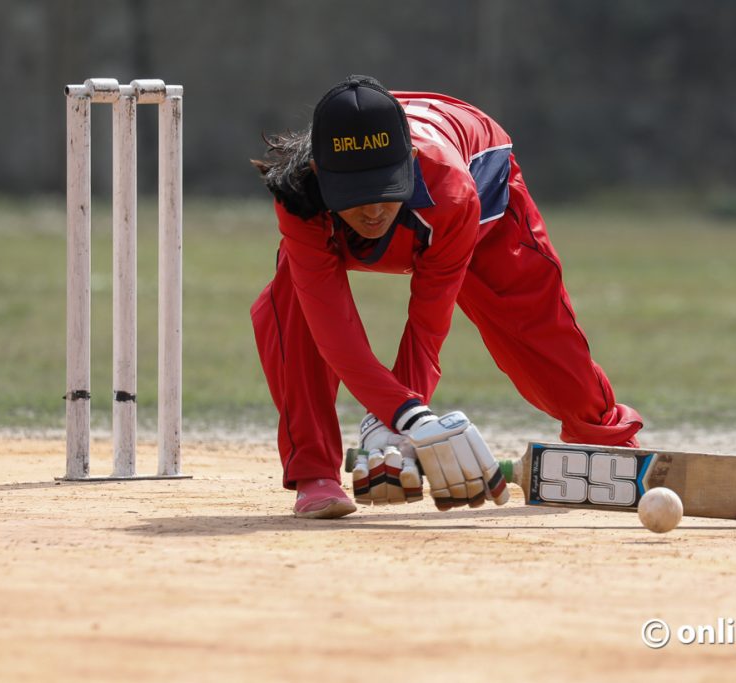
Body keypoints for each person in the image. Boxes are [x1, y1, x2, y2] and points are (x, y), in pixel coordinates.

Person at [251, 76, 643, 519]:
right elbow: (333, 332)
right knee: (294, 302)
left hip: (481, 193)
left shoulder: (451, 191)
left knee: (538, 331)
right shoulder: (298, 196)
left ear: (410, 160)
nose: (374, 210)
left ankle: (607, 442)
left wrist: (397, 421)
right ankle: (314, 473)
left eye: (385, 186)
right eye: (356, 194)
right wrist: (406, 417)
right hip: (385, 200)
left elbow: (427, 326)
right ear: (321, 175)